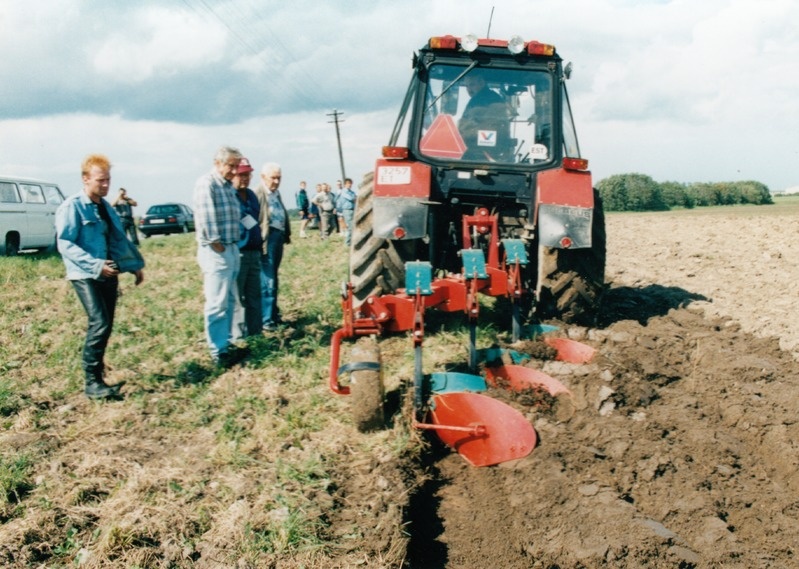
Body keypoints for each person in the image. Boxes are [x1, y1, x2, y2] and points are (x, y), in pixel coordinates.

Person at [55, 153, 145, 399]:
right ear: (86, 179)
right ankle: (91, 382)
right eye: (100, 181)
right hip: (84, 274)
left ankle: (99, 377)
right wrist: (95, 266)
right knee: (100, 322)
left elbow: (117, 239)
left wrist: (134, 265)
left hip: (109, 271)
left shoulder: (105, 207)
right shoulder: (72, 206)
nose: (105, 185)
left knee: (106, 325)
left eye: (108, 180)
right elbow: (65, 243)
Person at [193, 146, 244, 367]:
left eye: (236, 166)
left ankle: (226, 344)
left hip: (231, 248)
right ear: (218, 163)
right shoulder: (208, 184)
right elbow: (207, 219)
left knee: (230, 300)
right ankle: (218, 351)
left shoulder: (227, 187)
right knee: (217, 303)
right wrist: (218, 245)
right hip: (217, 250)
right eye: (230, 166)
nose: (234, 171)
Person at [254, 162, 291, 330]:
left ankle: (274, 315)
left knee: (273, 277)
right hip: (266, 240)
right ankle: (266, 320)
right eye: (273, 178)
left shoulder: (276, 193)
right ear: (263, 177)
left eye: (279, 178)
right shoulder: (258, 194)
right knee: (268, 280)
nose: (276, 181)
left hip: (278, 238)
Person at [231, 158, 263, 338]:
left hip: (254, 252)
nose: (245, 178)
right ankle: (238, 337)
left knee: (254, 296)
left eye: (248, 174)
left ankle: (256, 334)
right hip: (238, 252)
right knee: (237, 298)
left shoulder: (251, 195)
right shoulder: (229, 196)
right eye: (241, 175)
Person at [458, 72, 511, 161]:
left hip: (483, 150)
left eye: (472, 85)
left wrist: (464, 133)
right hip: (481, 147)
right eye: (466, 86)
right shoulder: (481, 98)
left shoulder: (487, 99)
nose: (469, 89)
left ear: (481, 82)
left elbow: (492, 126)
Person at [335, 177, 357, 246]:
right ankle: (347, 243)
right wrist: (354, 198)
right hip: (347, 210)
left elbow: (356, 198)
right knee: (351, 227)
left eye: (350, 183)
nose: (349, 185)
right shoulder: (343, 192)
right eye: (348, 183)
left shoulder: (351, 192)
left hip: (353, 210)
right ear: (345, 184)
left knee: (354, 226)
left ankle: (351, 242)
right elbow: (351, 198)